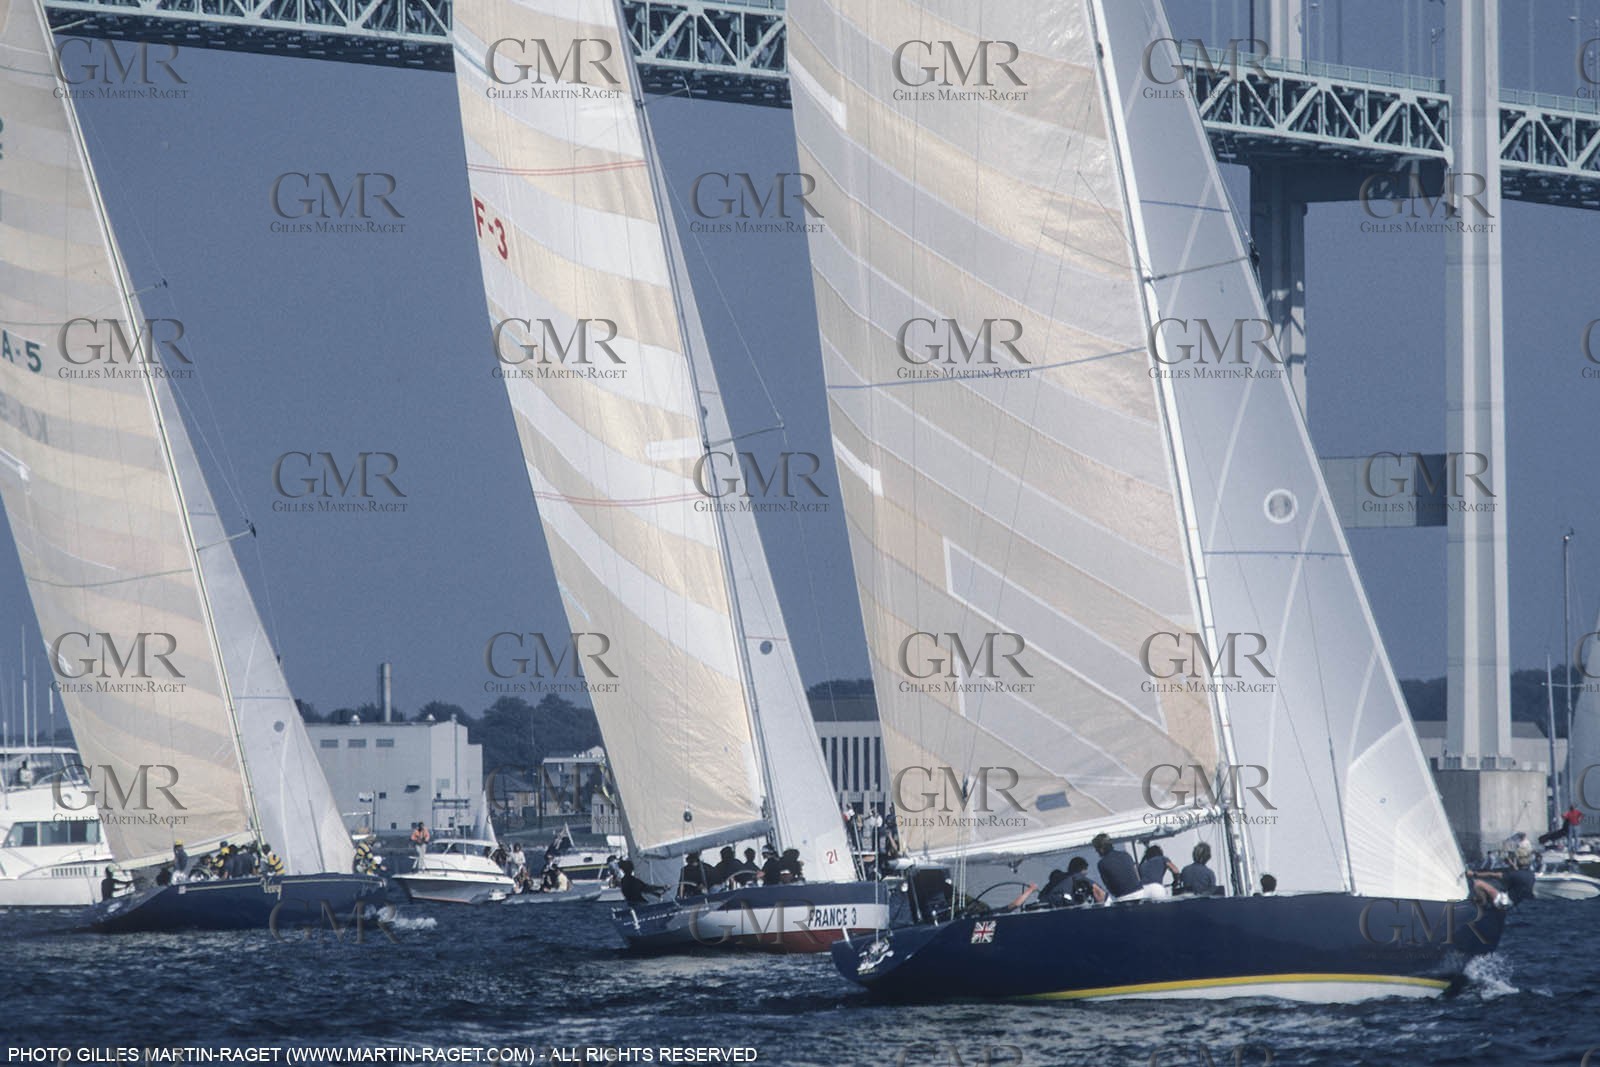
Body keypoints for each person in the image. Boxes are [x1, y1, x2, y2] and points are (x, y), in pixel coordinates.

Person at [1092, 833, 1140, 898]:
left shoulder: (1102, 863)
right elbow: (1136, 874)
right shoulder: (1125, 854)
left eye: (1097, 850)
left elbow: (1107, 884)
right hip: (1140, 892)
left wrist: (1116, 895)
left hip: (1123, 897)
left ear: (1101, 849)